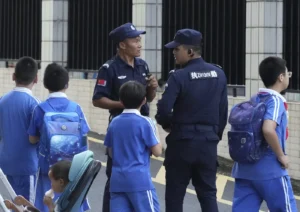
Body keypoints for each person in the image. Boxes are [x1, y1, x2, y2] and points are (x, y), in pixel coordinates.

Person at [155, 29, 228, 212]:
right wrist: (213, 135)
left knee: (175, 195)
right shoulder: (218, 74)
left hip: (181, 143)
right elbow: (223, 112)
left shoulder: (178, 76)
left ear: (190, 52)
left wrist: (169, 125)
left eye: (176, 49)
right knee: (208, 194)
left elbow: (163, 110)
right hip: (208, 144)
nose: (173, 53)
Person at [92, 22, 158, 212]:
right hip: (120, 127)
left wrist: (152, 89)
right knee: (115, 175)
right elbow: (98, 99)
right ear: (122, 44)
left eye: (139, 40)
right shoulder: (109, 68)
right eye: (135, 40)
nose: (139, 44)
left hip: (141, 126)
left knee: (140, 173)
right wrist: (121, 105)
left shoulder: (142, 65)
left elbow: (148, 99)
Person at [231, 57, 298, 211]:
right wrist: (281, 156)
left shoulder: (255, 99)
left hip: (244, 170)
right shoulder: (275, 101)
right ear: (281, 77)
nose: (288, 76)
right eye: (288, 73)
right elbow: (268, 129)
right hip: (270, 171)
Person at [27, 63, 90, 212]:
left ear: (45, 84)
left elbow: (32, 139)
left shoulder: (40, 109)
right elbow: (84, 140)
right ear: (67, 84)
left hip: (47, 170)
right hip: (72, 169)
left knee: (44, 204)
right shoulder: (76, 108)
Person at [104, 81, 161, 212]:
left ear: (121, 101)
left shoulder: (114, 122)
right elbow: (157, 152)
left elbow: (111, 152)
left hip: (117, 180)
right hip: (140, 181)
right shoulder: (146, 122)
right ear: (144, 100)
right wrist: (155, 128)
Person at [0, 57, 40, 204]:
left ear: (13, 76)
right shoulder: (35, 104)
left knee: (12, 204)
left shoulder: (2, 100)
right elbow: (39, 136)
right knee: (26, 205)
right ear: (36, 79)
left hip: (5, 163)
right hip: (26, 165)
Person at [3, 160, 72, 212]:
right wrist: (25, 203)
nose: (51, 184)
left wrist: (49, 205)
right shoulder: (65, 197)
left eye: (52, 181)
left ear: (61, 182)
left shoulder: (68, 202)